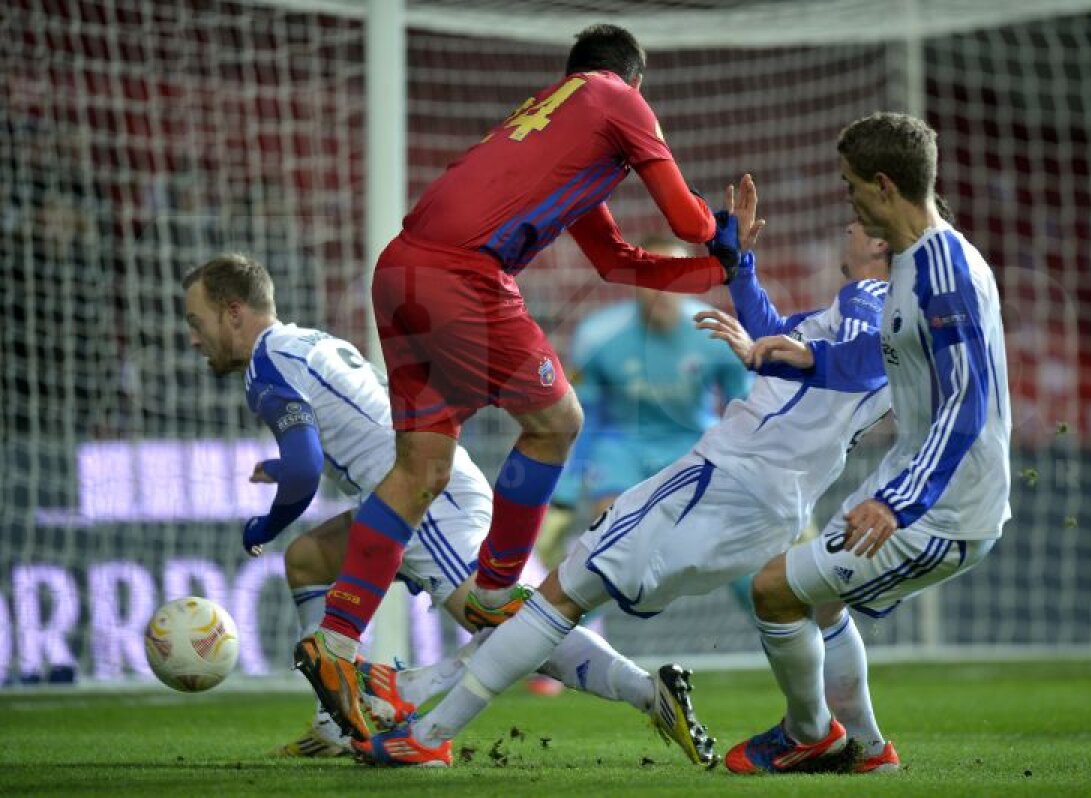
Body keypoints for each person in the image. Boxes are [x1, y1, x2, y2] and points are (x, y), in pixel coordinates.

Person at [298, 23, 753, 745]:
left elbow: (616, 261)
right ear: (633, 81)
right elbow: (684, 217)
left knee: (421, 468)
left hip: (400, 271)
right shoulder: (615, 97)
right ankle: (493, 585)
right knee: (557, 422)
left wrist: (715, 273)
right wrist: (719, 232)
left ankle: (338, 641)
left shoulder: (551, 127)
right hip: (462, 275)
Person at [354, 178, 900, 768]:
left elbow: (849, 358)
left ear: (879, 243)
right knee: (800, 598)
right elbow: (778, 340)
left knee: (561, 592)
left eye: (857, 218)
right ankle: (861, 743)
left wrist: (792, 355)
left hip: (723, 477)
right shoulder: (901, 324)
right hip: (769, 494)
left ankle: (429, 727)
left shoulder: (868, 297)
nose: (846, 225)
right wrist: (740, 265)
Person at [182, 253, 714, 763]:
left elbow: (303, 468)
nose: (193, 337)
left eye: (196, 319)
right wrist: (282, 473)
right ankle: (333, 723)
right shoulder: (301, 343)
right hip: (415, 487)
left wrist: (265, 522)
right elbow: (323, 444)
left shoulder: (265, 367)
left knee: (505, 628)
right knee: (308, 559)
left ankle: (648, 694)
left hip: (425, 502)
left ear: (234, 313)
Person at [721, 112, 1012, 776]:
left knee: (773, 591)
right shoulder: (912, 265)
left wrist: (899, 503)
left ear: (884, 186)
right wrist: (801, 355)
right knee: (815, 600)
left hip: (943, 507)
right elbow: (864, 361)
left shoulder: (944, 273)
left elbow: (968, 399)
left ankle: (807, 735)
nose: (847, 199)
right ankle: (869, 752)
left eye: (852, 187)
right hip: (910, 484)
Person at [540, 234, 751, 572]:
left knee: (738, 565)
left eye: (675, 277)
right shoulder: (597, 336)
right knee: (607, 552)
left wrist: (766, 482)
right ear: (636, 280)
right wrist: (562, 498)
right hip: (622, 447)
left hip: (694, 446)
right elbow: (583, 420)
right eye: (653, 276)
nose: (663, 288)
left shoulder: (719, 335)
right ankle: (570, 616)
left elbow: (747, 415)